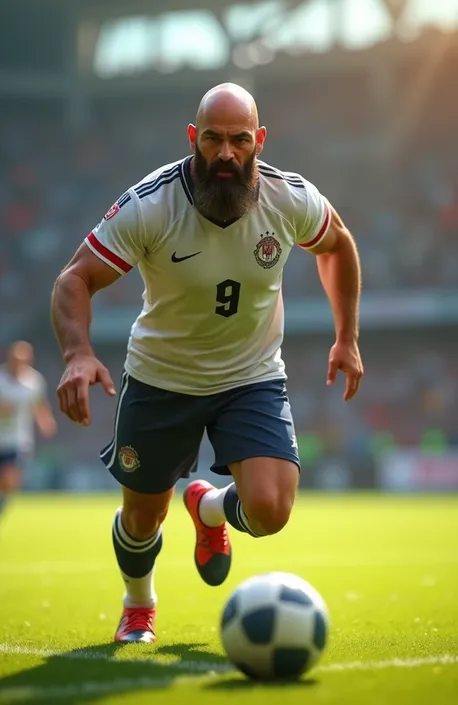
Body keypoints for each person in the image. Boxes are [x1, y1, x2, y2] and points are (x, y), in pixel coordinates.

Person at [51, 83, 363, 643]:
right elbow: (74, 278)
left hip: (252, 376)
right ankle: (139, 605)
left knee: (270, 510)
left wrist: (348, 337)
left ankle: (211, 508)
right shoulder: (151, 204)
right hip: (161, 379)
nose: (226, 153)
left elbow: (338, 244)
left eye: (239, 140)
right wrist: (77, 354)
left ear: (259, 142)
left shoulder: (289, 199)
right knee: (143, 519)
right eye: (214, 139)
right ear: (194, 138)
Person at [0, 341, 57, 539]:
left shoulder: (34, 381)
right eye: (16, 359)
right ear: (9, 358)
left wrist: (45, 421)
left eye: (23, 360)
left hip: (18, 441)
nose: (19, 363)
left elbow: (39, 403)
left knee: (9, 479)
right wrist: (0, 409)